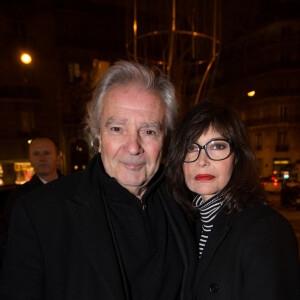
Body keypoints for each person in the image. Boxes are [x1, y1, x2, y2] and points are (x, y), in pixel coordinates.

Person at [0, 61, 197, 299]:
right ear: (98, 136)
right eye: (117, 129)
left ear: (164, 138)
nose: (134, 147)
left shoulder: (187, 203)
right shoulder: (39, 214)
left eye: (149, 131)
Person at [166, 100, 300, 299]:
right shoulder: (185, 223)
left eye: (217, 146)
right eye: (191, 148)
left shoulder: (266, 229)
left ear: (237, 156)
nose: (202, 161)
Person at [3, 137, 63, 222]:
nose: (42, 158)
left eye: (47, 153)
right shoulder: (19, 196)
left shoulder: (73, 189)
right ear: (30, 160)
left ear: (58, 159)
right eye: (36, 154)